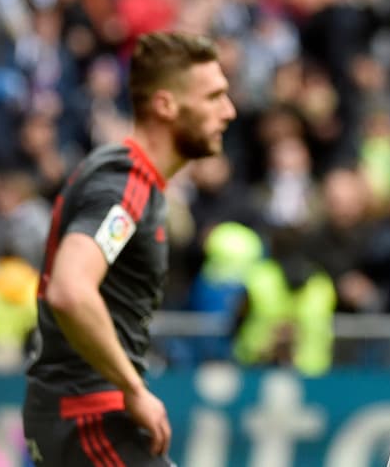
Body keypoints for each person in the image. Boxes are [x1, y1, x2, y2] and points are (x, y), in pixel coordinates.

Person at [22, 32, 236, 466]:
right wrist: (133, 388)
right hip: (90, 416)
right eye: (214, 96)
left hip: (80, 413)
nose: (228, 111)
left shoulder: (136, 182)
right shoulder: (125, 181)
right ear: (166, 105)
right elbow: (70, 289)